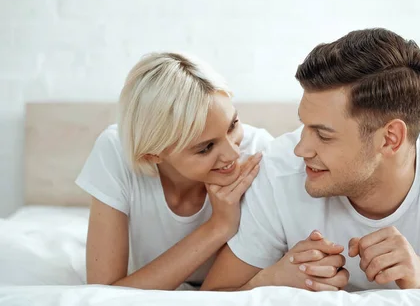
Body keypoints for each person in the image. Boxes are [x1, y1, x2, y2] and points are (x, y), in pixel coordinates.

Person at [201, 28, 420, 292]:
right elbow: (212, 294)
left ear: (390, 138)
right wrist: (272, 278)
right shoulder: (278, 170)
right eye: (303, 126)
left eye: (324, 134)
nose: (301, 148)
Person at [76, 52, 273, 290]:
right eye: (206, 147)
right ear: (152, 154)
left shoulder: (259, 153)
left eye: (233, 125)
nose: (232, 154)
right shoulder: (116, 153)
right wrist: (218, 226)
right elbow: (103, 294)